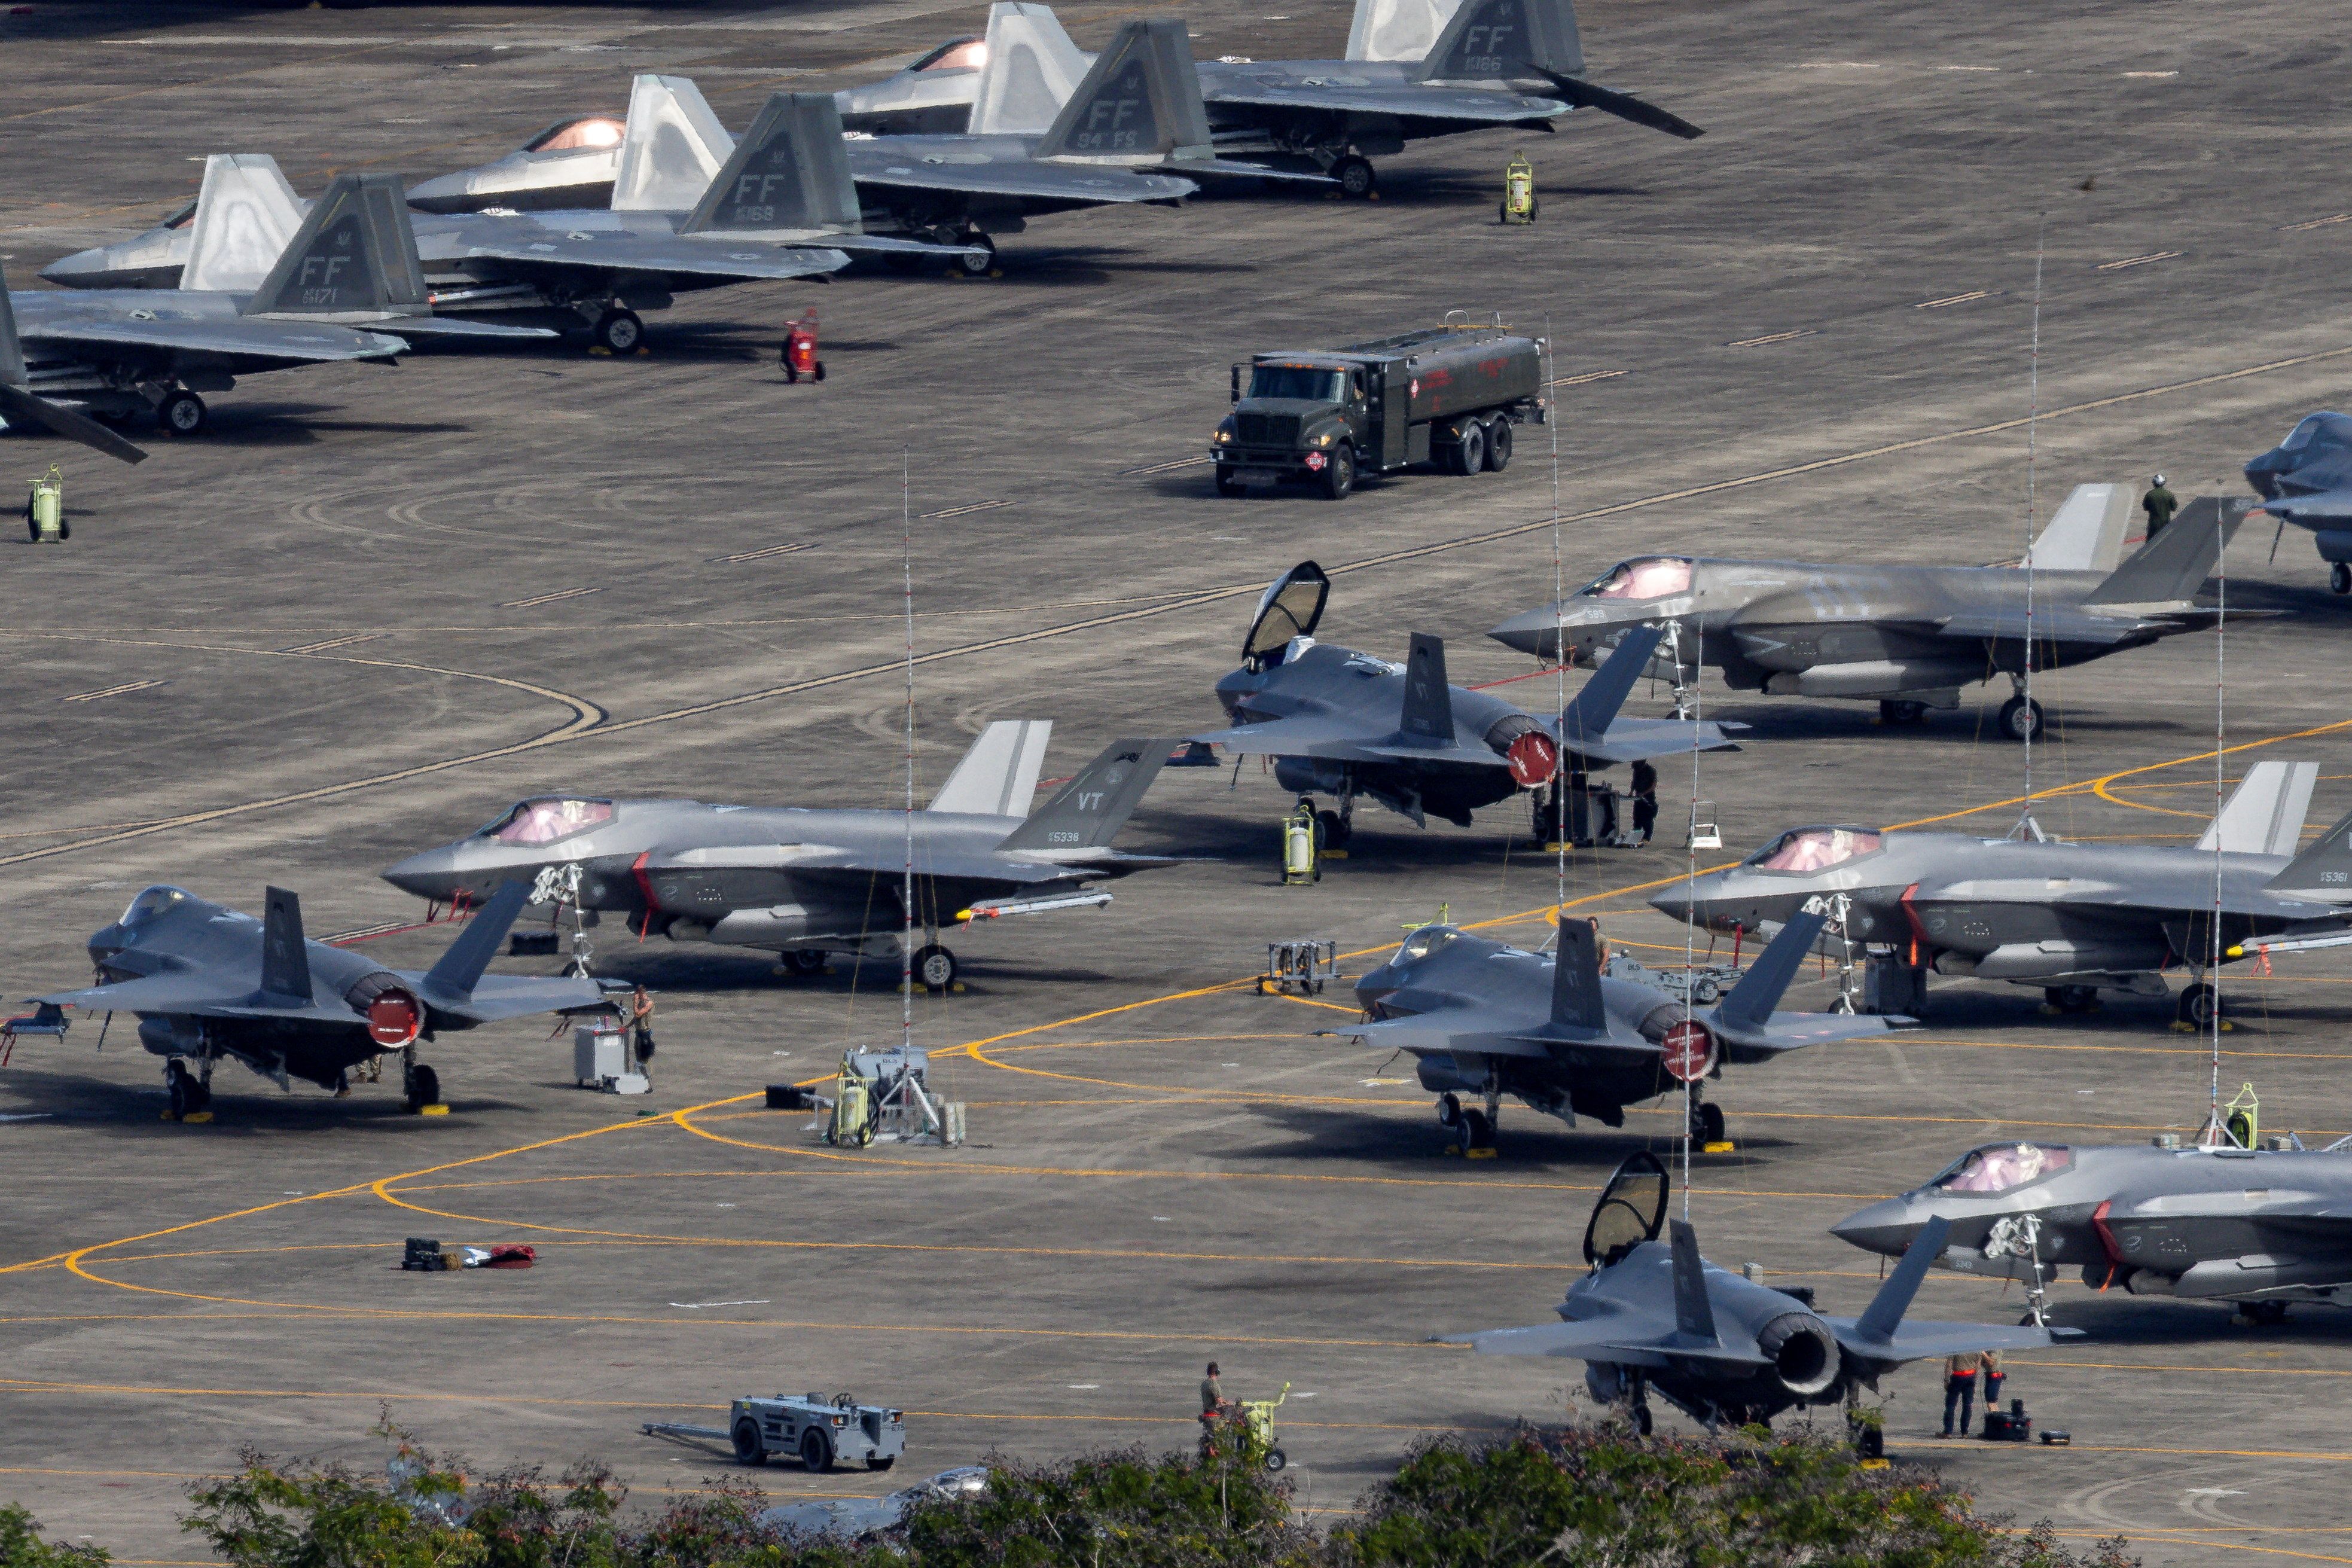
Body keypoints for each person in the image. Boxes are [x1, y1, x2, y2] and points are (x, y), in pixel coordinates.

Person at [1941, 1352, 1981, 1436]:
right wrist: (1974, 1380)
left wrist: (1946, 1380)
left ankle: (1948, 1431)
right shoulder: (1976, 1349)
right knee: (1967, 1405)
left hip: (1957, 1376)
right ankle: (1965, 1432)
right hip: (1970, 1375)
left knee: (1951, 1405)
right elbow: (1978, 1365)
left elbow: (1949, 1364)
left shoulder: (1957, 1348)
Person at [627, 984, 657, 1076]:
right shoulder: (640, 1003)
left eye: (637, 994)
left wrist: (635, 1003)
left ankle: (648, 1075)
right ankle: (641, 1075)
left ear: (641, 993)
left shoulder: (649, 1003)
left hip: (645, 1033)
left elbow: (638, 1014)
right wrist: (627, 1026)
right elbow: (636, 1018)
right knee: (638, 1054)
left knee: (646, 1056)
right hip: (639, 1032)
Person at [1629, 759, 1659, 846]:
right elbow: (1634, 781)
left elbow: (1653, 785)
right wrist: (1631, 791)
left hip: (1648, 797)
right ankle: (1636, 835)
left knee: (1647, 818)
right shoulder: (1636, 770)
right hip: (1638, 796)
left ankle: (1647, 838)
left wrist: (1644, 793)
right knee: (1637, 817)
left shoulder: (1651, 771)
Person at [2142, 474, 2179, 538]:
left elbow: (2145, 508)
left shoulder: (2149, 495)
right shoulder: (2169, 494)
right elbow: (2174, 508)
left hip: (2153, 524)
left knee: (2151, 541)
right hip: (2166, 522)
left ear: (2154, 483)